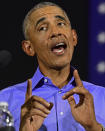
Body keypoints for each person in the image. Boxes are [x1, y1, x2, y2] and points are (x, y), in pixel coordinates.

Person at [0, 2, 105, 131]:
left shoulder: (102, 97)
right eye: (43, 28)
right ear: (29, 48)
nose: (55, 32)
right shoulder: (4, 101)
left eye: (60, 24)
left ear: (74, 37)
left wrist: (93, 127)